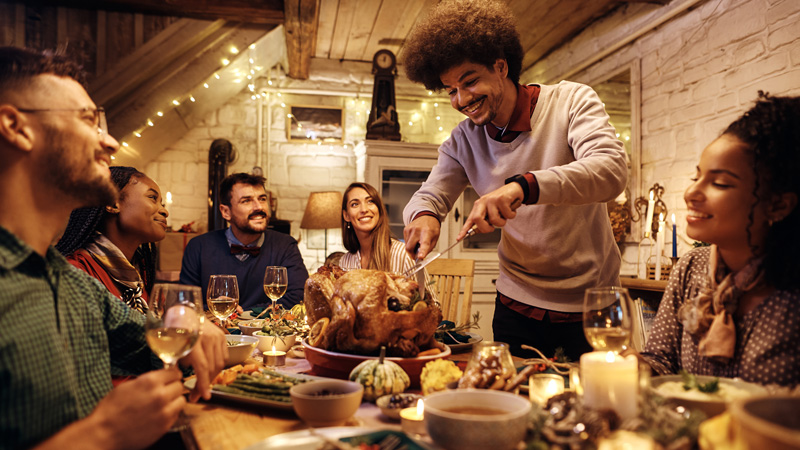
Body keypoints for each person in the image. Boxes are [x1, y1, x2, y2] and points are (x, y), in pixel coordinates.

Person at [0, 46, 227, 450]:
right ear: (15, 126)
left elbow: (156, 339)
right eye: (88, 120)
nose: (110, 141)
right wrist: (101, 434)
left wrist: (191, 325)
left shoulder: (71, 282)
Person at [401, 0, 627, 361]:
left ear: (501, 66)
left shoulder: (570, 101)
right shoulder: (463, 141)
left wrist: (523, 186)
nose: (462, 100)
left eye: (470, 81)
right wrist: (424, 216)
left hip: (594, 303)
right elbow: (431, 194)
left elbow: (611, 170)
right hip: (516, 306)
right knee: (512, 394)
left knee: (598, 396)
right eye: (451, 90)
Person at [640, 94, 800, 387]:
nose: (691, 193)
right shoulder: (691, 267)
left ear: (778, 205)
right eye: (697, 177)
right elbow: (661, 361)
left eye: (720, 183)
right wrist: (632, 367)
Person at [180, 172, 308, 311]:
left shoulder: (285, 246)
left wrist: (244, 314)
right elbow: (186, 302)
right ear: (226, 212)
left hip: (264, 326)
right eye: (246, 201)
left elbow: (298, 296)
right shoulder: (198, 247)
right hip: (216, 325)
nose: (259, 207)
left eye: (262, 199)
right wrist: (218, 312)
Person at [56, 166, 167, 314]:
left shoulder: (142, 274)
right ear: (113, 203)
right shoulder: (76, 272)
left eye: (162, 204)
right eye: (153, 198)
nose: (164, 211)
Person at [339, 182, 435, 299]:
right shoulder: (345, 262)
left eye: (370, 201)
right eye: (354, 204)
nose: (364, 209)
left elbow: (432, 303)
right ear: (346, 215)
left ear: (379, 210)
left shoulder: (404, 254)